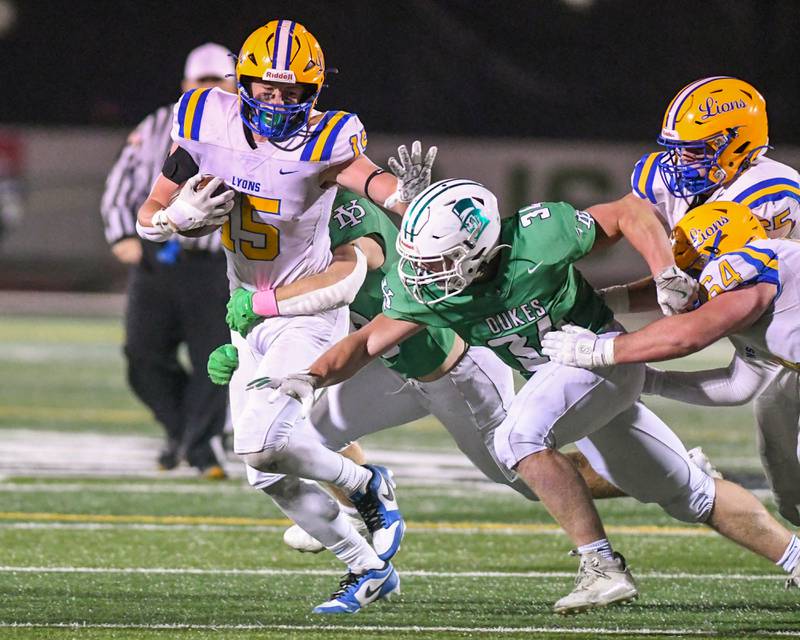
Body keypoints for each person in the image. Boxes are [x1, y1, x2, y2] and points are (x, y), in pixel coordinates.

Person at [249, 177, 783, 614]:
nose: (425, 277)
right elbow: (368, 340)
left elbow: (630, 212)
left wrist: (665, 271)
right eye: (421, 264)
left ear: (480, 247)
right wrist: (313, 376)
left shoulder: (541, 233)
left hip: (601, 357)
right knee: (692, 494)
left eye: (438, 263)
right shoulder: (428, 286)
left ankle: (601, 564)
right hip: (564, 383)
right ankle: (797, 557)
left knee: (516, 438)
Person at [136, 19, 436, 614]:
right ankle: (368, 570)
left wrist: (410, 200)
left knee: (257, 441)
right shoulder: (203, 119)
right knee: (264, 471)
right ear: (242, 83)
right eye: (267, 89)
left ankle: (366, 485)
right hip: (244, 312)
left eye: (293, 91)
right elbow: (148, 215)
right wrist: (176, 220)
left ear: (313, 94)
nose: (278, 102)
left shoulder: (327, 139)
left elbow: (374, 182)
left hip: (305, 311)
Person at [210, 188, 627, 554]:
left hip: (452, 369)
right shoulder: (275, 215)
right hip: (383, 363)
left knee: (521, 475)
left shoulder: (340, 210)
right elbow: (310, 321)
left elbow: (343, 280)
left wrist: (267, 306)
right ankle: (363, 506)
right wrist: (249, 349)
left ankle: (656, 475)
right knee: (296, 438)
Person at [541, 200, 800, 589]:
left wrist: (600, 351)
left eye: (690, 270)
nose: (680, 282)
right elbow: (737, 386)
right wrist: (652, 380)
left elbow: (688, 335)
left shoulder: (751, 267)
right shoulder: (772, 302)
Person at [583, 77, 800, 525]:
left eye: (699, 148)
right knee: (788, 482)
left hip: (772, 313)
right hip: (769, 338)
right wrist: (617, 294)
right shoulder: (667, 177)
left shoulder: (771, 194)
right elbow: (629, 219)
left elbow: (706, 313)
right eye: (678, 147)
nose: (681, 159)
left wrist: (605, 349)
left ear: (738, 143)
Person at [100, 43, 236, 478]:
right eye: (202, 82)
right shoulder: (159, 125)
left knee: (213, 360)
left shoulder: (248, 130)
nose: (211, 89)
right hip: (160, 257)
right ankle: (182, 432)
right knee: (143, 355)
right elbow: (122, 184)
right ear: (185, 86)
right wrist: (125, 235)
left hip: (219, 263)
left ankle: (201, 448)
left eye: (219, 80)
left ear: (233, 84)